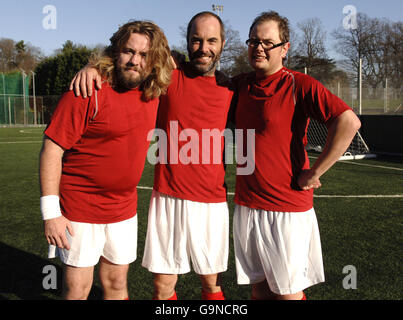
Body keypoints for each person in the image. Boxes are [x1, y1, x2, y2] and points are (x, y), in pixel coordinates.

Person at [69, 12, 233, 300]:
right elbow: (130, 49)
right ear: (187, 41)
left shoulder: (234, 87)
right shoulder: (167, 72)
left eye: (211, 41)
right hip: (168, 197)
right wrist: (93, 66)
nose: (203, 48)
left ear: (222, 43)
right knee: (162, 287)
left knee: (211, 284)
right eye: (196, 40)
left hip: (212, 201)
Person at [231, 11, 361, 300]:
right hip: (248, 204)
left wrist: (315, 171)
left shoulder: (298, 83)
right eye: (253, 41)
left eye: (268, 42)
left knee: (288, 293)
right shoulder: (240, 84)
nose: (259, 47)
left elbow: (348, 121)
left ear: (285, 48)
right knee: (260, 289)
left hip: (286, 206)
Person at [39, 20, 173, 300]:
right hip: (79, 208)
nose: (134, 60)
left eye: (144, 55)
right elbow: (52, 148)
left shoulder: (154, 90)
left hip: (123, 209)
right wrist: (50, 213)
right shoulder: (88, 90)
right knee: (77, 288)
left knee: (116, 284)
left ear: (154, 60)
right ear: (115, 51)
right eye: (128, 51)